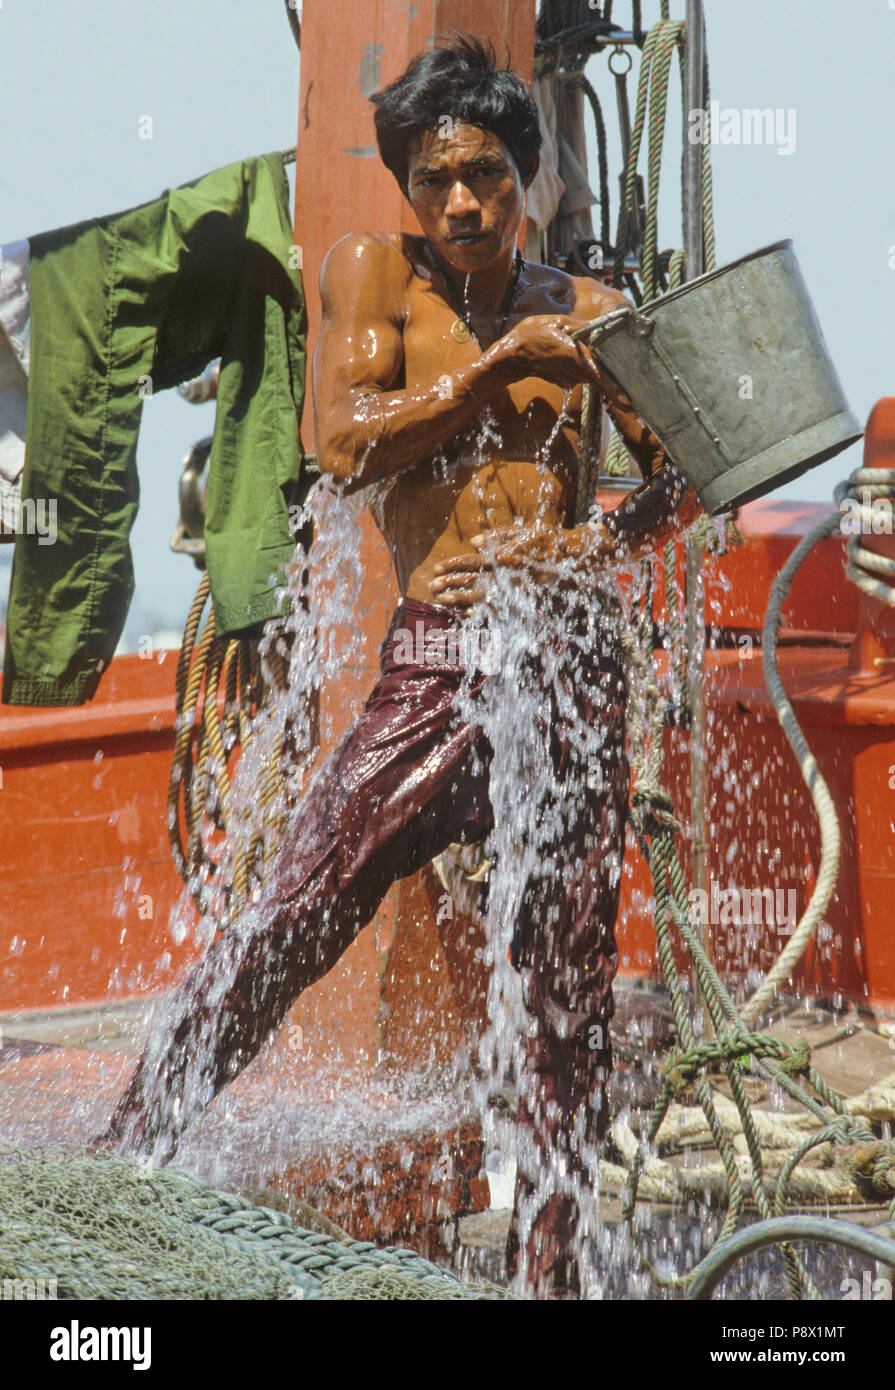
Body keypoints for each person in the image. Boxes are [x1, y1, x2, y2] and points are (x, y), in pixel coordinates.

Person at [96, 35, 700, 1297]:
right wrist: (495, 377)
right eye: (434, 181)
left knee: (564, 997)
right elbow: (341, 444)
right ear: (407, 190)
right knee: (292, 913)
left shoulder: (586, 312)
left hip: (566, 660)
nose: (462, 204)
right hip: (440, 657)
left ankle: (553, 1269)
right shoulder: (374, 276)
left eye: (484, 174)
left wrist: (599, 541)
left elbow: (686, 465)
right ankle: (121, 1162)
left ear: (527, 173)